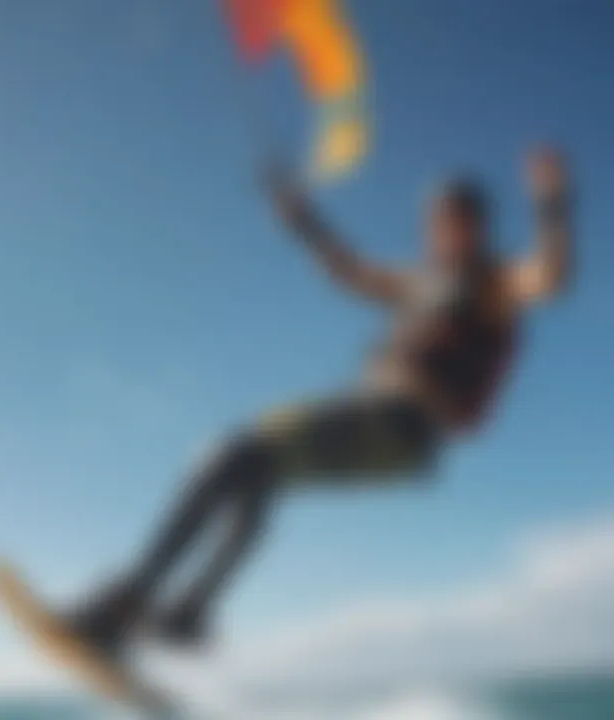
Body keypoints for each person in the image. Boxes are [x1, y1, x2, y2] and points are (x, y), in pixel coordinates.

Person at [63, 147, 575, 660]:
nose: (444, 228)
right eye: (437, 219)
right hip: (374, 416)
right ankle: (188, 614)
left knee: (233, 455)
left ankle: (129, 602)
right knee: (250, 474)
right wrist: (302, 219)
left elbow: (549, 277)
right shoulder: (417, 282)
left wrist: (551, 202)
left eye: (457, 218)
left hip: (401, 428)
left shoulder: (494, 284)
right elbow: (349, 271)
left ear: (478, 225)